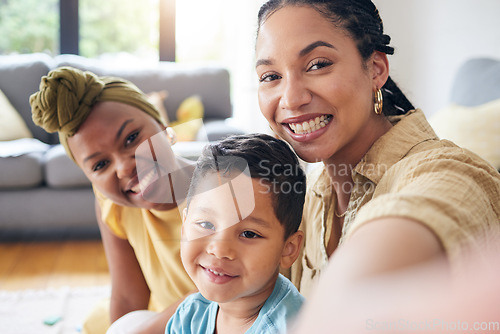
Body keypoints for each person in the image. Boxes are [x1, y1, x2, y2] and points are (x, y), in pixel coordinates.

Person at [255, 0, 500, 310]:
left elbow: (431, 208)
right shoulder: (314, 191)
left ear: (376, 69)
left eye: (318, 64)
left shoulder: (449, 172)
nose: (290, 98)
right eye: (270, 76)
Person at [30, 66, 197, 334]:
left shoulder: (224, 192)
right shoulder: (113, 204)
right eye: (100, 165)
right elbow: (128, 297)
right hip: (164, 314)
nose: (123, 168)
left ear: (163, 126)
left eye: (131, 138)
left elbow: (227, 300)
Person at [165, 134, 306, 333]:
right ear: (184, 226)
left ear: (288, 249)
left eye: (249, 234)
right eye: (206, 224)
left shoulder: (296, 327)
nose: (220, 249)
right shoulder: (190, 315)